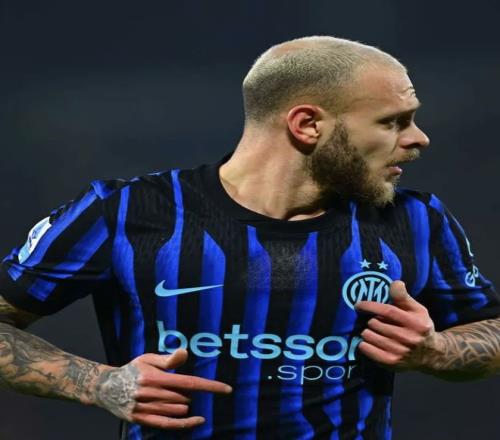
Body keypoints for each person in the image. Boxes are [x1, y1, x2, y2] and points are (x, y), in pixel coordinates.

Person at [0, 35, 499, 440]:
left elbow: (492, 331)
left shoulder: (416, 220)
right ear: (307, 124)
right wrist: (99, 383)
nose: (418, 138)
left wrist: (437, 349)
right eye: (393, 122)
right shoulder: (125, 211)